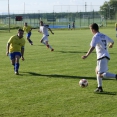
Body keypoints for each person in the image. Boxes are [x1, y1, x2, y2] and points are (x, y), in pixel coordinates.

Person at [81, 23, 117, 92]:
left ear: (93, 29)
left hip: (102, 57)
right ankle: (99, 87)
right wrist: (111, 44)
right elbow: (112, 41)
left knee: (100, 74)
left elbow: (92, 47)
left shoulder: (96, 36)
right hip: (105, 56)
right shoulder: (104, 35)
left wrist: (86, 55)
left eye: (90, 29)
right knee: (97, 70)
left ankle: (115, 76)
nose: (91, 31)